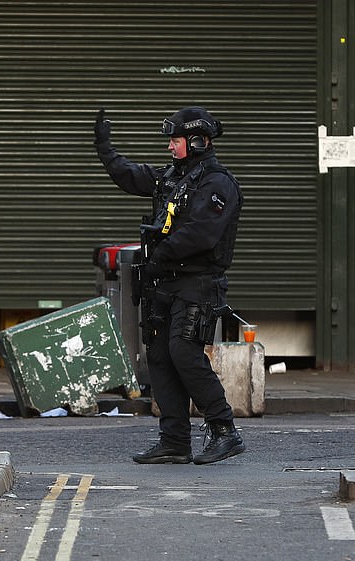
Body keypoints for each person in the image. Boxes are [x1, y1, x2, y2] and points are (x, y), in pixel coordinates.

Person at [94, 107, 246, 465]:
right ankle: (175, 440)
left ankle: (224, 430)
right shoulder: (173, 177)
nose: (169, 147)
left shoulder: (217, 183)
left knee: (183, 352)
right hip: (164, 281)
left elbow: (201, 234)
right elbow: (131, 176)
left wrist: (160, 253)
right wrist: (105, 149)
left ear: (197, 141)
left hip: (198, 282)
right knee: (160, 356)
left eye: (175, 140)